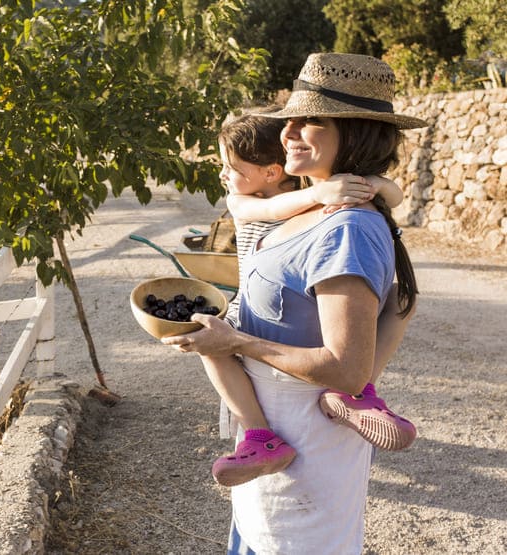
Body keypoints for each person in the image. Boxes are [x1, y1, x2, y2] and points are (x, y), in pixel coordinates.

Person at [162, 52, 428, 554]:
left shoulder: (346, 228)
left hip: (306, 448)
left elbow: (346, 368)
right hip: (278, 443)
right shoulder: (307, 211)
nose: (291, 131)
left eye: (313, 121)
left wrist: (232, 340)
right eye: (291, 119)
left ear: (354, 133)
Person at [205, 112, 415, 488]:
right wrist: (321, 193)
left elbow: (395, 195)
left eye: (230, 166)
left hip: (296, 363)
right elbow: (271, 211)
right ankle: (258, 433)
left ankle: (358, 391)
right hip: (247, 303)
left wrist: (373, 184)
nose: (223, 175)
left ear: (270, 172)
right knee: (212, 345)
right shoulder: (244, 201)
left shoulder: (340, 216)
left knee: (405, 297)